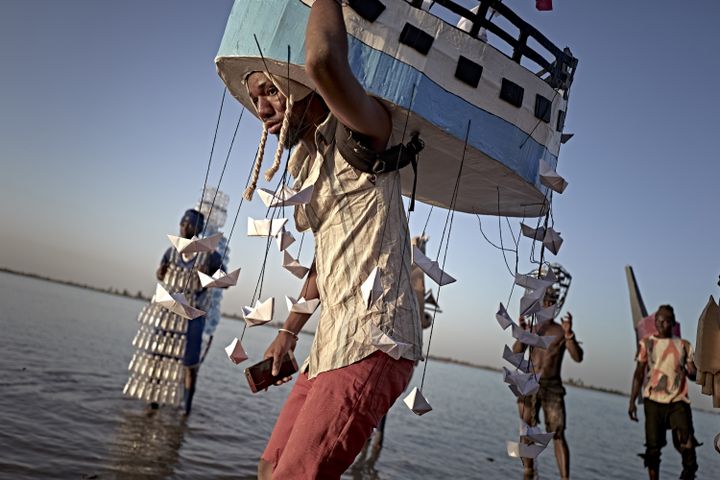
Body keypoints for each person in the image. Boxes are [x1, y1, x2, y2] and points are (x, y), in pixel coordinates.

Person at [243, 1, 423, 478]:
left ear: (305, 88)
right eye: (254, 98)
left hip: (374, 341)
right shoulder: (309, 167)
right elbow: (325, 264)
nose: (261, 109)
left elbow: (323, 61)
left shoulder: (362, 131)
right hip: (330, 343)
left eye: (271, 91)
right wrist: (286, 334)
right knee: (269, 469)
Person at [123, 209, 223, 416]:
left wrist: (207, 278)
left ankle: (186, 408)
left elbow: (224, 282)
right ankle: (153, 403)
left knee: (189, 364)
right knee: (158, 356)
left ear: (198, 228)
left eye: (189, 224)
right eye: (182, 223)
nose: (184, 227)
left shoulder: (210, 256)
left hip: (193, 318)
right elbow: (162, 272)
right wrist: (160, 272)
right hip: (168, 315)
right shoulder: (171, 252)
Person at [512, 278, 583, 480]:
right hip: (530, 383)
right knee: (526, 429)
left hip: (552, 387)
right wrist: (522, 335)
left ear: (555, 305)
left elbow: (577, 357)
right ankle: (528, 472)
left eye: (551, 302)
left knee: (558, 433)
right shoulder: (533, 329)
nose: (547, 305)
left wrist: (570, 336)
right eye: (544, 301)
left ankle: (564, 478)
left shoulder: (561, 331)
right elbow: (517, 353)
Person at [629, 305, 699, 480]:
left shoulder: (684, 345)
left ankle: (688, 473)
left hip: (678, 400)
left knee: (686, 441)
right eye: (658, 321)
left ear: (672, 323)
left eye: (666, 321)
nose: (661, 324)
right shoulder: (647, 343)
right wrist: (632, 401)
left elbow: (693, 373)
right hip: (653, 401)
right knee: (653, 449)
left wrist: (691, 372)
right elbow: (639, 373)